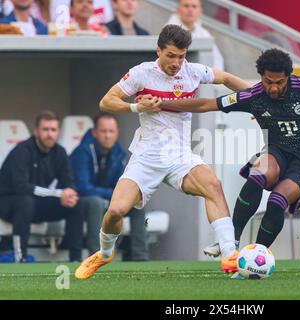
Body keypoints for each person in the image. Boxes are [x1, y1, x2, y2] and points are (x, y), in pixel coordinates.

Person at [158, 49, 300, 265]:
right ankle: (232, 239)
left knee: (277, 201)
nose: (274, 87)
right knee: (257, 175)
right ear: (261, 77)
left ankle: (255, 255)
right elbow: (206, 104)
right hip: (276, 153)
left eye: (280, 82)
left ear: (289, 77)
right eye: (268, 81)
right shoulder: (253, 96)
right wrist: (162, 103)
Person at [74, 24, 251, 280]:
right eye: (171, 55)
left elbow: (224, 78)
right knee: (115, 212)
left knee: (213, 185)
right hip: (146, 159)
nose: (177, 62)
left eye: (181, 56)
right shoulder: (141, 73)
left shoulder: (192, 72)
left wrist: (257, 97)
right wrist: (137, 107)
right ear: (158, 50)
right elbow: (107, 102)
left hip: (180, 156)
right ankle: (104, 253)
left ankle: (229, 255)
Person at [0, 111, 84, 262]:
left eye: (53, 130)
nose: (49, 134)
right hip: (8, 202)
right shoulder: (22, 150)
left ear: (58, 132)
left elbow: (68, 181)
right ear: (36, 131)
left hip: (35, 204)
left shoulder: (60, 152)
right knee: (25, 201)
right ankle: (20, 256)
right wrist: (59, 194)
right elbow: (21, 187)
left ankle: (76, 261)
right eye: (45, 129)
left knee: (75, 205)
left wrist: (70, 193)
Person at [69, 112, 150, 260]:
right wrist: (112, 194)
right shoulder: (82, 151)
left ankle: (140, 256)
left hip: (106, 199)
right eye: (103, 131)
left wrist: (122, 196)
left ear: (117, 133)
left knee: (137, 204)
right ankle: (97, 256)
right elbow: (83, 187)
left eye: (111, 131)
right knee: (96, 202)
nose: (107, 135)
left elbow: (122, 184)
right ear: (94, 132)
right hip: (81, 203)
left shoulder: (119, 153)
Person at [167, 0, 225, 71]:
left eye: (194, 6)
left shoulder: (205, 34)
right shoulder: (168, 32)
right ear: (178, 9)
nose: (190, 10)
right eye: (186, 6)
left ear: (200, 11)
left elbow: (217, 60)